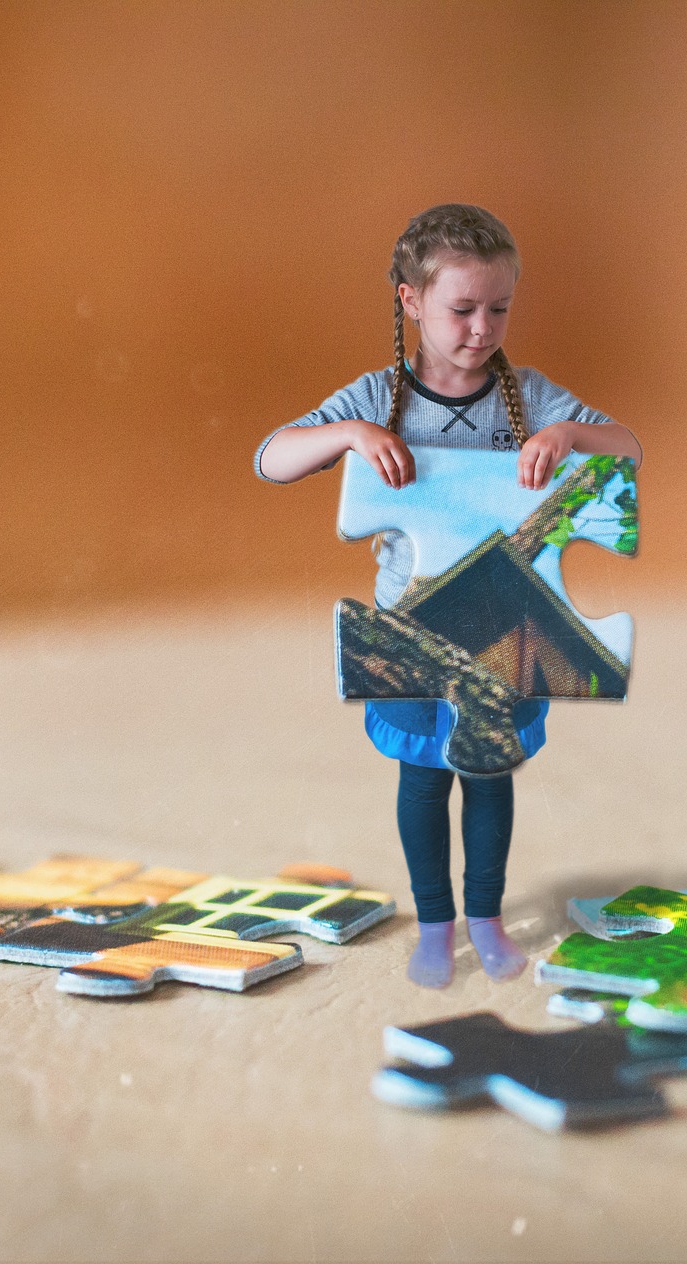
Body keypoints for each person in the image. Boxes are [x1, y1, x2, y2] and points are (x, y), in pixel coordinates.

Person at [255, 204, 642, 988]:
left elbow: (628, 448)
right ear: (410, 301)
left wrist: (569, 437)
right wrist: (350, 435)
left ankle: (489, 921)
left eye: (498, 307)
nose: (481, 327)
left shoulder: (530, 398)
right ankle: (435, 925)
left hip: (508, 633)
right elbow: (271, 458)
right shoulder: (377, 393)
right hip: (407, 636)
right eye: (460, 308)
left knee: (490, 778)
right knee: (424, 782)